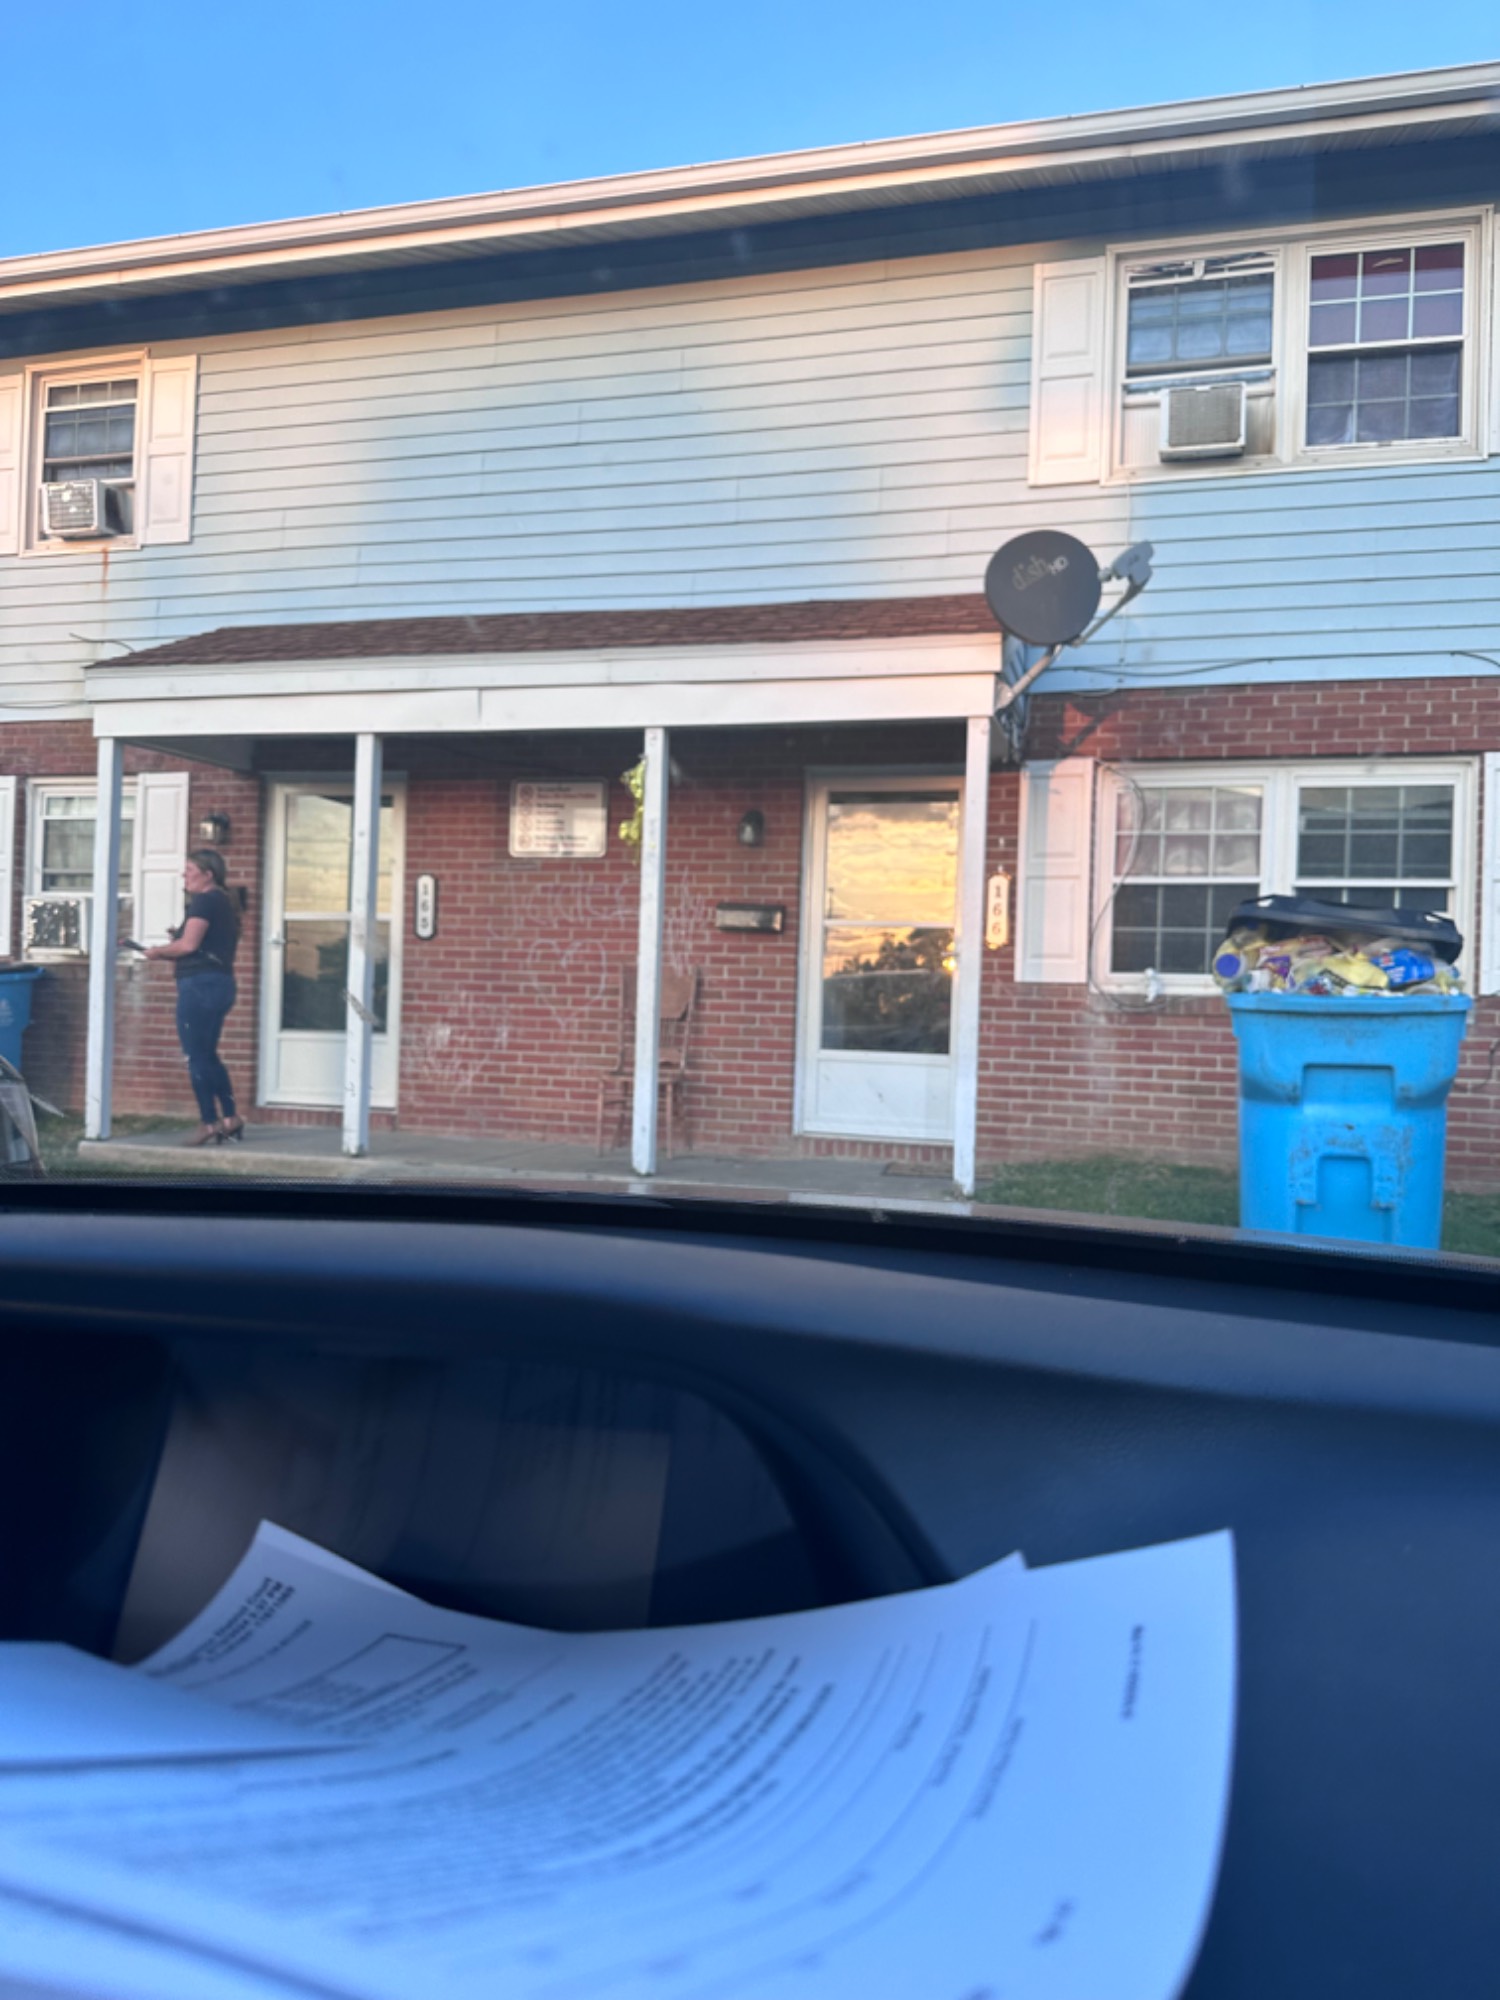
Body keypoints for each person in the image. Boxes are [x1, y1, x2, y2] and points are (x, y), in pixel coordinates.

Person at [145, 849, 244, 1146]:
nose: (184, 875)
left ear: (207, 874)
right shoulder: (223, 903)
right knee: (208, 1054)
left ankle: (208, 1122)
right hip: (220, 984)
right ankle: (231, 1119)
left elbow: (188, 946)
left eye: (189, 870)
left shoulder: (204, 901)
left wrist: (159, 951)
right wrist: (176, 941)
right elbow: (201, 943)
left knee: (197, 1056)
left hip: (199, 986)